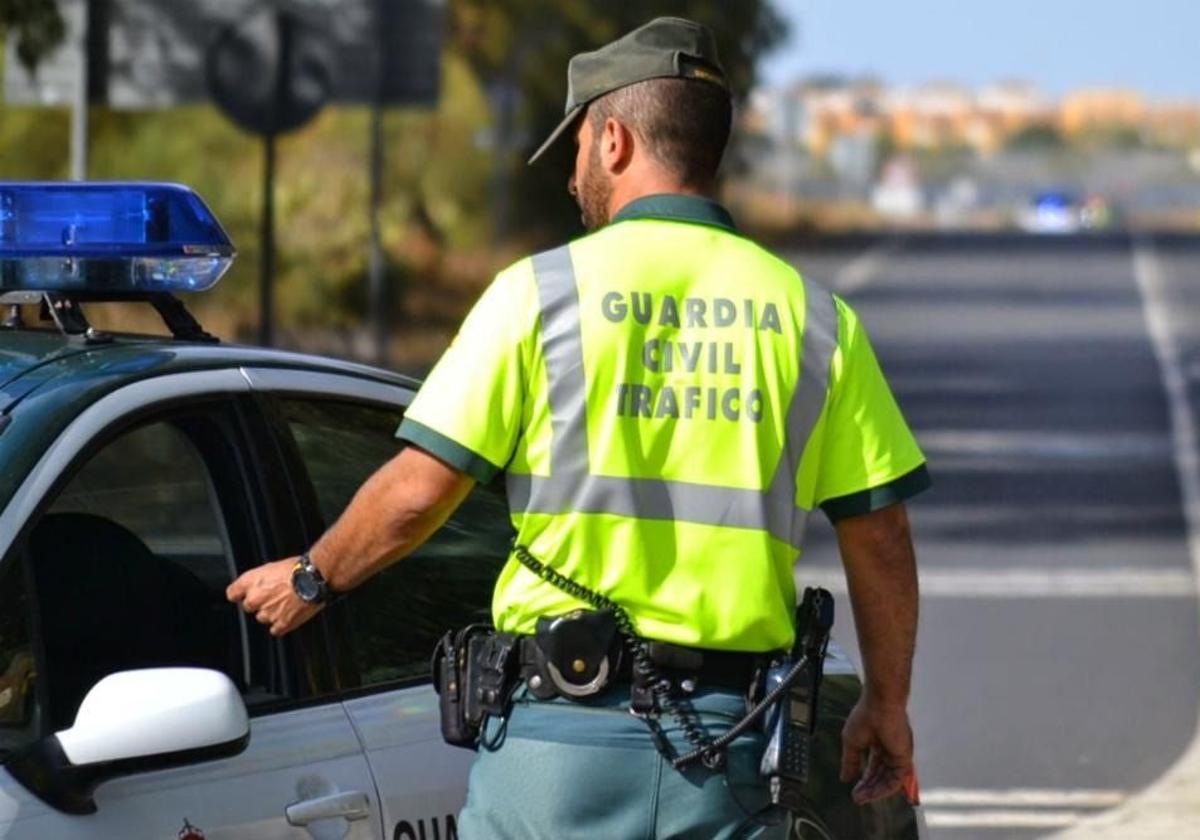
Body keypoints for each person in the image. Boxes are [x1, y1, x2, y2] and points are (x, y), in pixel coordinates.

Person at [227, 16, 928, 839]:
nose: (570, 178)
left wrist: (312, 578)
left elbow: (418, 495)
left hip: (560, 753)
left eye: (577, 147)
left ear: (615, 140)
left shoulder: (539, 296)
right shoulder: (815, 321)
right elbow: (879, 537)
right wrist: (886, 702)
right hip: (733, 754)